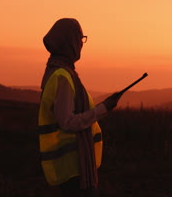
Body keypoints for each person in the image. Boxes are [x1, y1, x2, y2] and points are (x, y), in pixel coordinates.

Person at [38, 18, 121, 197]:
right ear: (69, 42)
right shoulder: (62, 76)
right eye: (79, 38)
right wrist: (103, 108)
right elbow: (68, 122)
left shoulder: (57, 71)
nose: (81, 44)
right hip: (74, 168)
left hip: (74, 167)